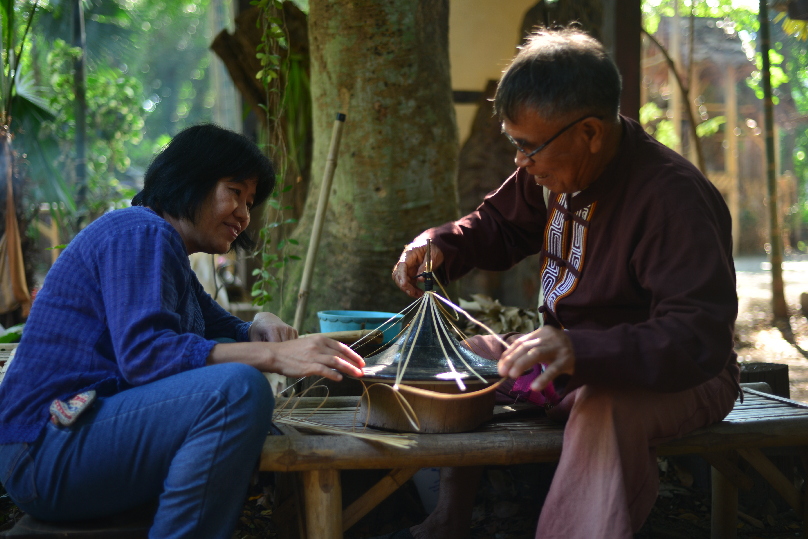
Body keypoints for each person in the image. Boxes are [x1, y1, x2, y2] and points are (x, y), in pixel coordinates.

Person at [390, 26, 739, 539]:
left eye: (528, 148)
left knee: (605, 408)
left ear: (591, 132)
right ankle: (448, 521)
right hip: (568, 364)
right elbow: (498, 226)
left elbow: (697, 337)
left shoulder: (672, 199)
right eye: (515, 145)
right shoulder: (558, 167)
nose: (520, 163)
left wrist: (580, 349)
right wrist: (440, 244)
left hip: (684, 378)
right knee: (465, 358)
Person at [0, 124, 365, 539]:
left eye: (250, 201)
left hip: (62, 445)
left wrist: (258, 324)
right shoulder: (140, 232)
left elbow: (223, 329)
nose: (245, 214)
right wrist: (274, 356)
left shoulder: (166, 251)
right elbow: (147, 354)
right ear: (190, 178)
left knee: (230, 359)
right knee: (236, 390)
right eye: (234, 191)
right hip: (45, 449)